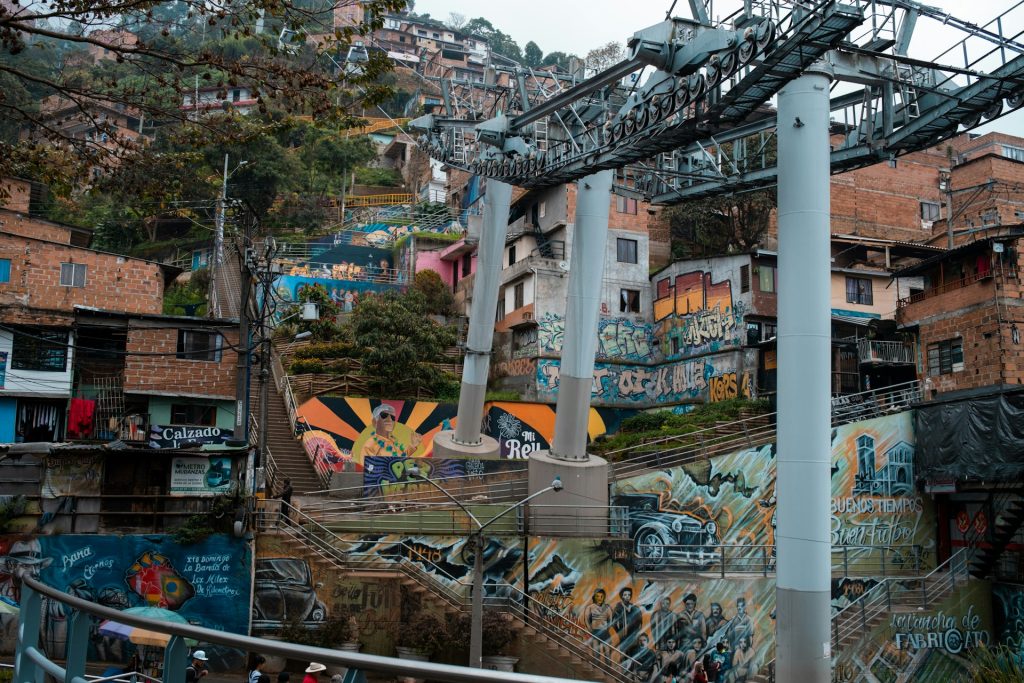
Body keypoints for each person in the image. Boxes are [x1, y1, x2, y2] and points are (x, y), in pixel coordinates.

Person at [582, 587, 613, 666]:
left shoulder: (607, 607)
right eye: (597, 596)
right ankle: (596, 670)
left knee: (607, 652)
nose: (600, 598)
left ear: (604, 597)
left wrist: (606, 629)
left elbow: (611, 620)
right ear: (594, 597)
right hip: (595, 632)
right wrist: (591, 630)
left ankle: (608, 670)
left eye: (601, 596)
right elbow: (586, 620)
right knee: (596, 653)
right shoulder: (590, 607)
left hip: (605, 633)